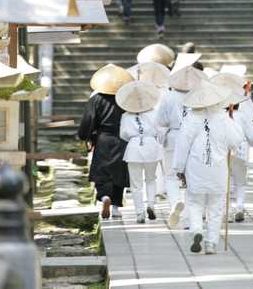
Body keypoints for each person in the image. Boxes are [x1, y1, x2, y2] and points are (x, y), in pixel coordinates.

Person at [173, 80, 243, 255]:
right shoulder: (223, 118)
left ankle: (196, 230)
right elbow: (236, 140)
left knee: (195, 203)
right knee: (216, 207)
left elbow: (182, 145)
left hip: (195, 167)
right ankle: (211, 242)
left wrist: (179, 168)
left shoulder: (190, 118)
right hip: (218, 168)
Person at [78, 64, 133, 219]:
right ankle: (115, 207)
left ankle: (104, 197)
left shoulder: (97, 99)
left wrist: (86, 136)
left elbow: (89, 120)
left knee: (102, 173)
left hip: (103, 139)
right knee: (119, 173)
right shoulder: (126, 99)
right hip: (122, 138)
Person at [156, 64, 206, 228]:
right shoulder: (199, 94)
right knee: (191, 175)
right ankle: (190, 217)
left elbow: (161, 120)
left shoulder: (169, 97)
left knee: (170, 175)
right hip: (194, 136)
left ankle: (176, 203)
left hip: (174, 135)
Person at [117, 80, 162, 224]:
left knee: (135, 184)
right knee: (151, 179)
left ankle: (140, 212)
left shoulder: (126, 116)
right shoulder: (154, 113)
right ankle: (151, 204)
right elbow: (159, 130)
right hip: (151, 146)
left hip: (134, 147)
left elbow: (123, 134)